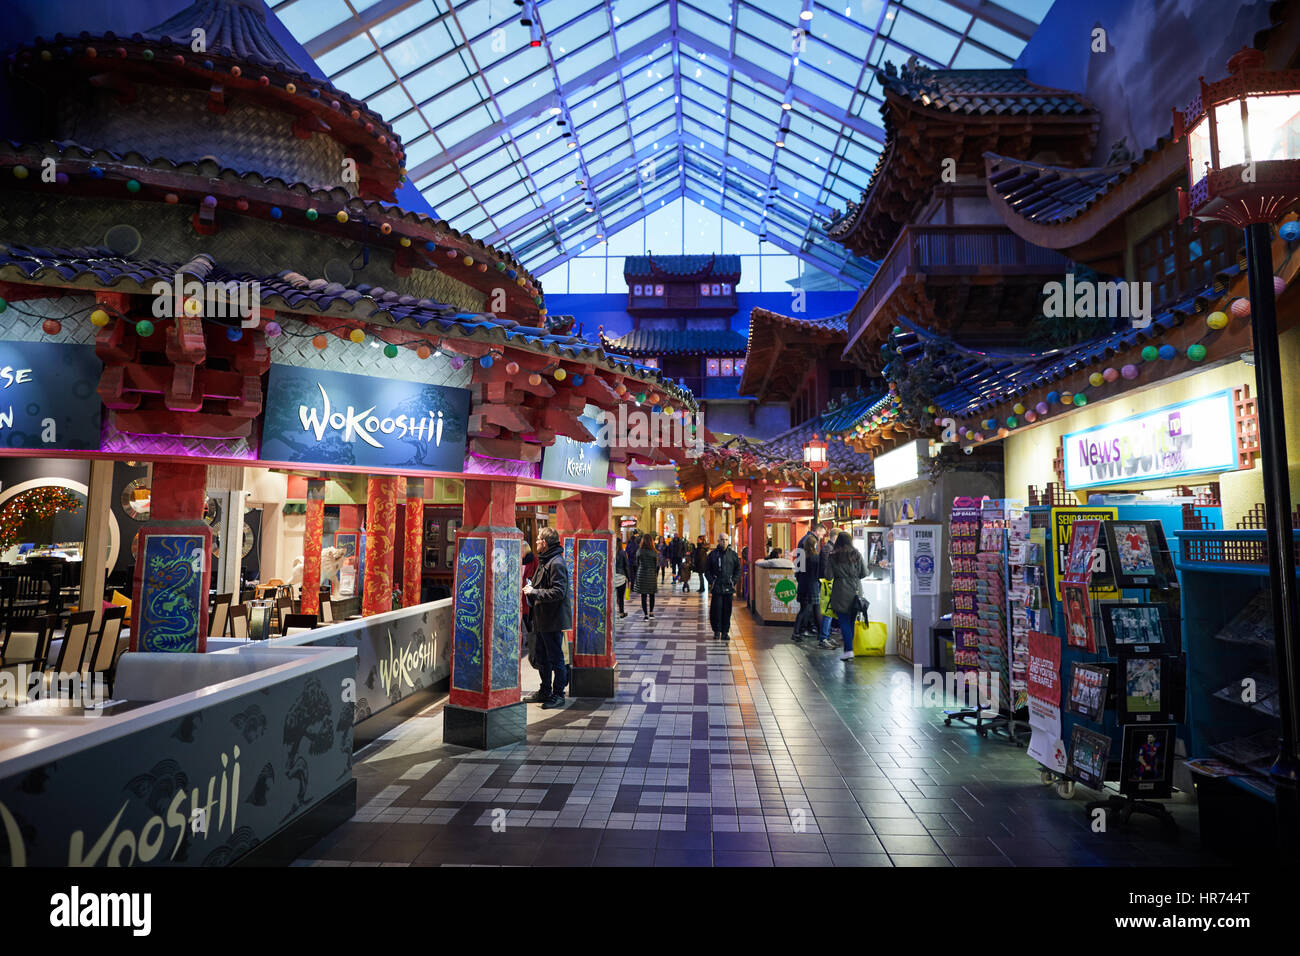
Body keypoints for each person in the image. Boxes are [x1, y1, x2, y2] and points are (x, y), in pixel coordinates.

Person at [524, 526, 572, 708]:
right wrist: (532, 587)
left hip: (552, 620)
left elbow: (559, 592)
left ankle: (558, 694)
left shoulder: (556, 563)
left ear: (544, 543)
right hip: (541, 618)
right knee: (542, 657)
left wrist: (534, 592)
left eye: (538, 539)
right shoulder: (546, 560)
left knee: (556, 658)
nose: (536, 541)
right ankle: (545, 691)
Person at [827, 530, 867, 662]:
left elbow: (828, 576)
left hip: (840, 591)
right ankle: (850, 649)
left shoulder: (833, 556)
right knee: (851, 621)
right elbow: (864, 573)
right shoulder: (857, 554)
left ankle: (848, 650)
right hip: (855, 591)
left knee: (844, 621)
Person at [792, 521, 826, 643]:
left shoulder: (803, 553)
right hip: (812, 586)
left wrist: (800, 579)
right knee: (808, 609)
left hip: (804, 584)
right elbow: (819, 573)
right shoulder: (815, 557)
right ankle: (819, 634)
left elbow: (798, 569)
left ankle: (820, 634)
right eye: (822, 534)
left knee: (810, 609)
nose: (822, 537)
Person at [706, 533, 742, 641]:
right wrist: (712, 581)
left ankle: (725, 632)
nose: (724, 542)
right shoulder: (713, 555)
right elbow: (707, 570)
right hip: (717, 587)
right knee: (716, 610)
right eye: (722, 539)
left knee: (727, 610)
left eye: (726, 540)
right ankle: (717, 631)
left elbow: (738, 569)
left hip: (728, 587)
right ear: (718, 541)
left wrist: (733, 581)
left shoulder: (733, 555)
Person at [817, 528, 838, 648]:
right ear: (835, 537)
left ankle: (826, 636)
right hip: (827, 584)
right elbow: (827, 569)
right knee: (828, 612)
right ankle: (824, 638)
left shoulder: (828, 548)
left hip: (828, 583)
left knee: (830, 612)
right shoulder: (828, 549)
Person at [636, 533, 660, 620]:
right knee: (652, 594)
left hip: (642, 574)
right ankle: (651, 612)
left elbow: (637, 563)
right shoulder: (654, 552)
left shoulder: (639, 551)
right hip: (651, 574)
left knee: (643, 595)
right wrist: (655, 573)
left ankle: (645, 614)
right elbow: (656, 565)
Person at [613, 537, 629, 619]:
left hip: (612, 577)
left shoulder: (611, 552)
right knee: (620, 597)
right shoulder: (623, 553)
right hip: (621, 577)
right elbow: (626, 566)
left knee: (612, 596)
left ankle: (611, 612)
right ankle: (621, 612)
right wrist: (628, 577)